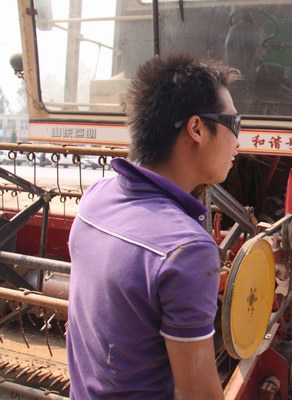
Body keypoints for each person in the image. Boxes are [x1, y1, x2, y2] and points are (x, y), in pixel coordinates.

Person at [67, 54, 240, 399]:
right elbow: (198, 394)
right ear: (196, 129)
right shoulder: (186, 249)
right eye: (234, 124)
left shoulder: (95, 198)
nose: (239, 141)